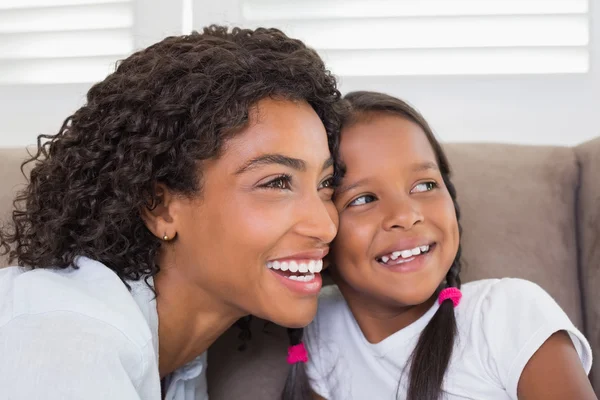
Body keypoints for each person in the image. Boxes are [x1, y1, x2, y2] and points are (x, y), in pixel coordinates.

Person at [0, 25, 344, 400]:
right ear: (160, 207)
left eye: (326, 184)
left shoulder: (181, 362)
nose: (324, 226)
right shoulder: (68, 339)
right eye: (277, 182)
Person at [291, 91, 595, 400]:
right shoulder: (320, 325)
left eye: (425, 185)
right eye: (364, 199)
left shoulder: (507, 313)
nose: (406, 216)